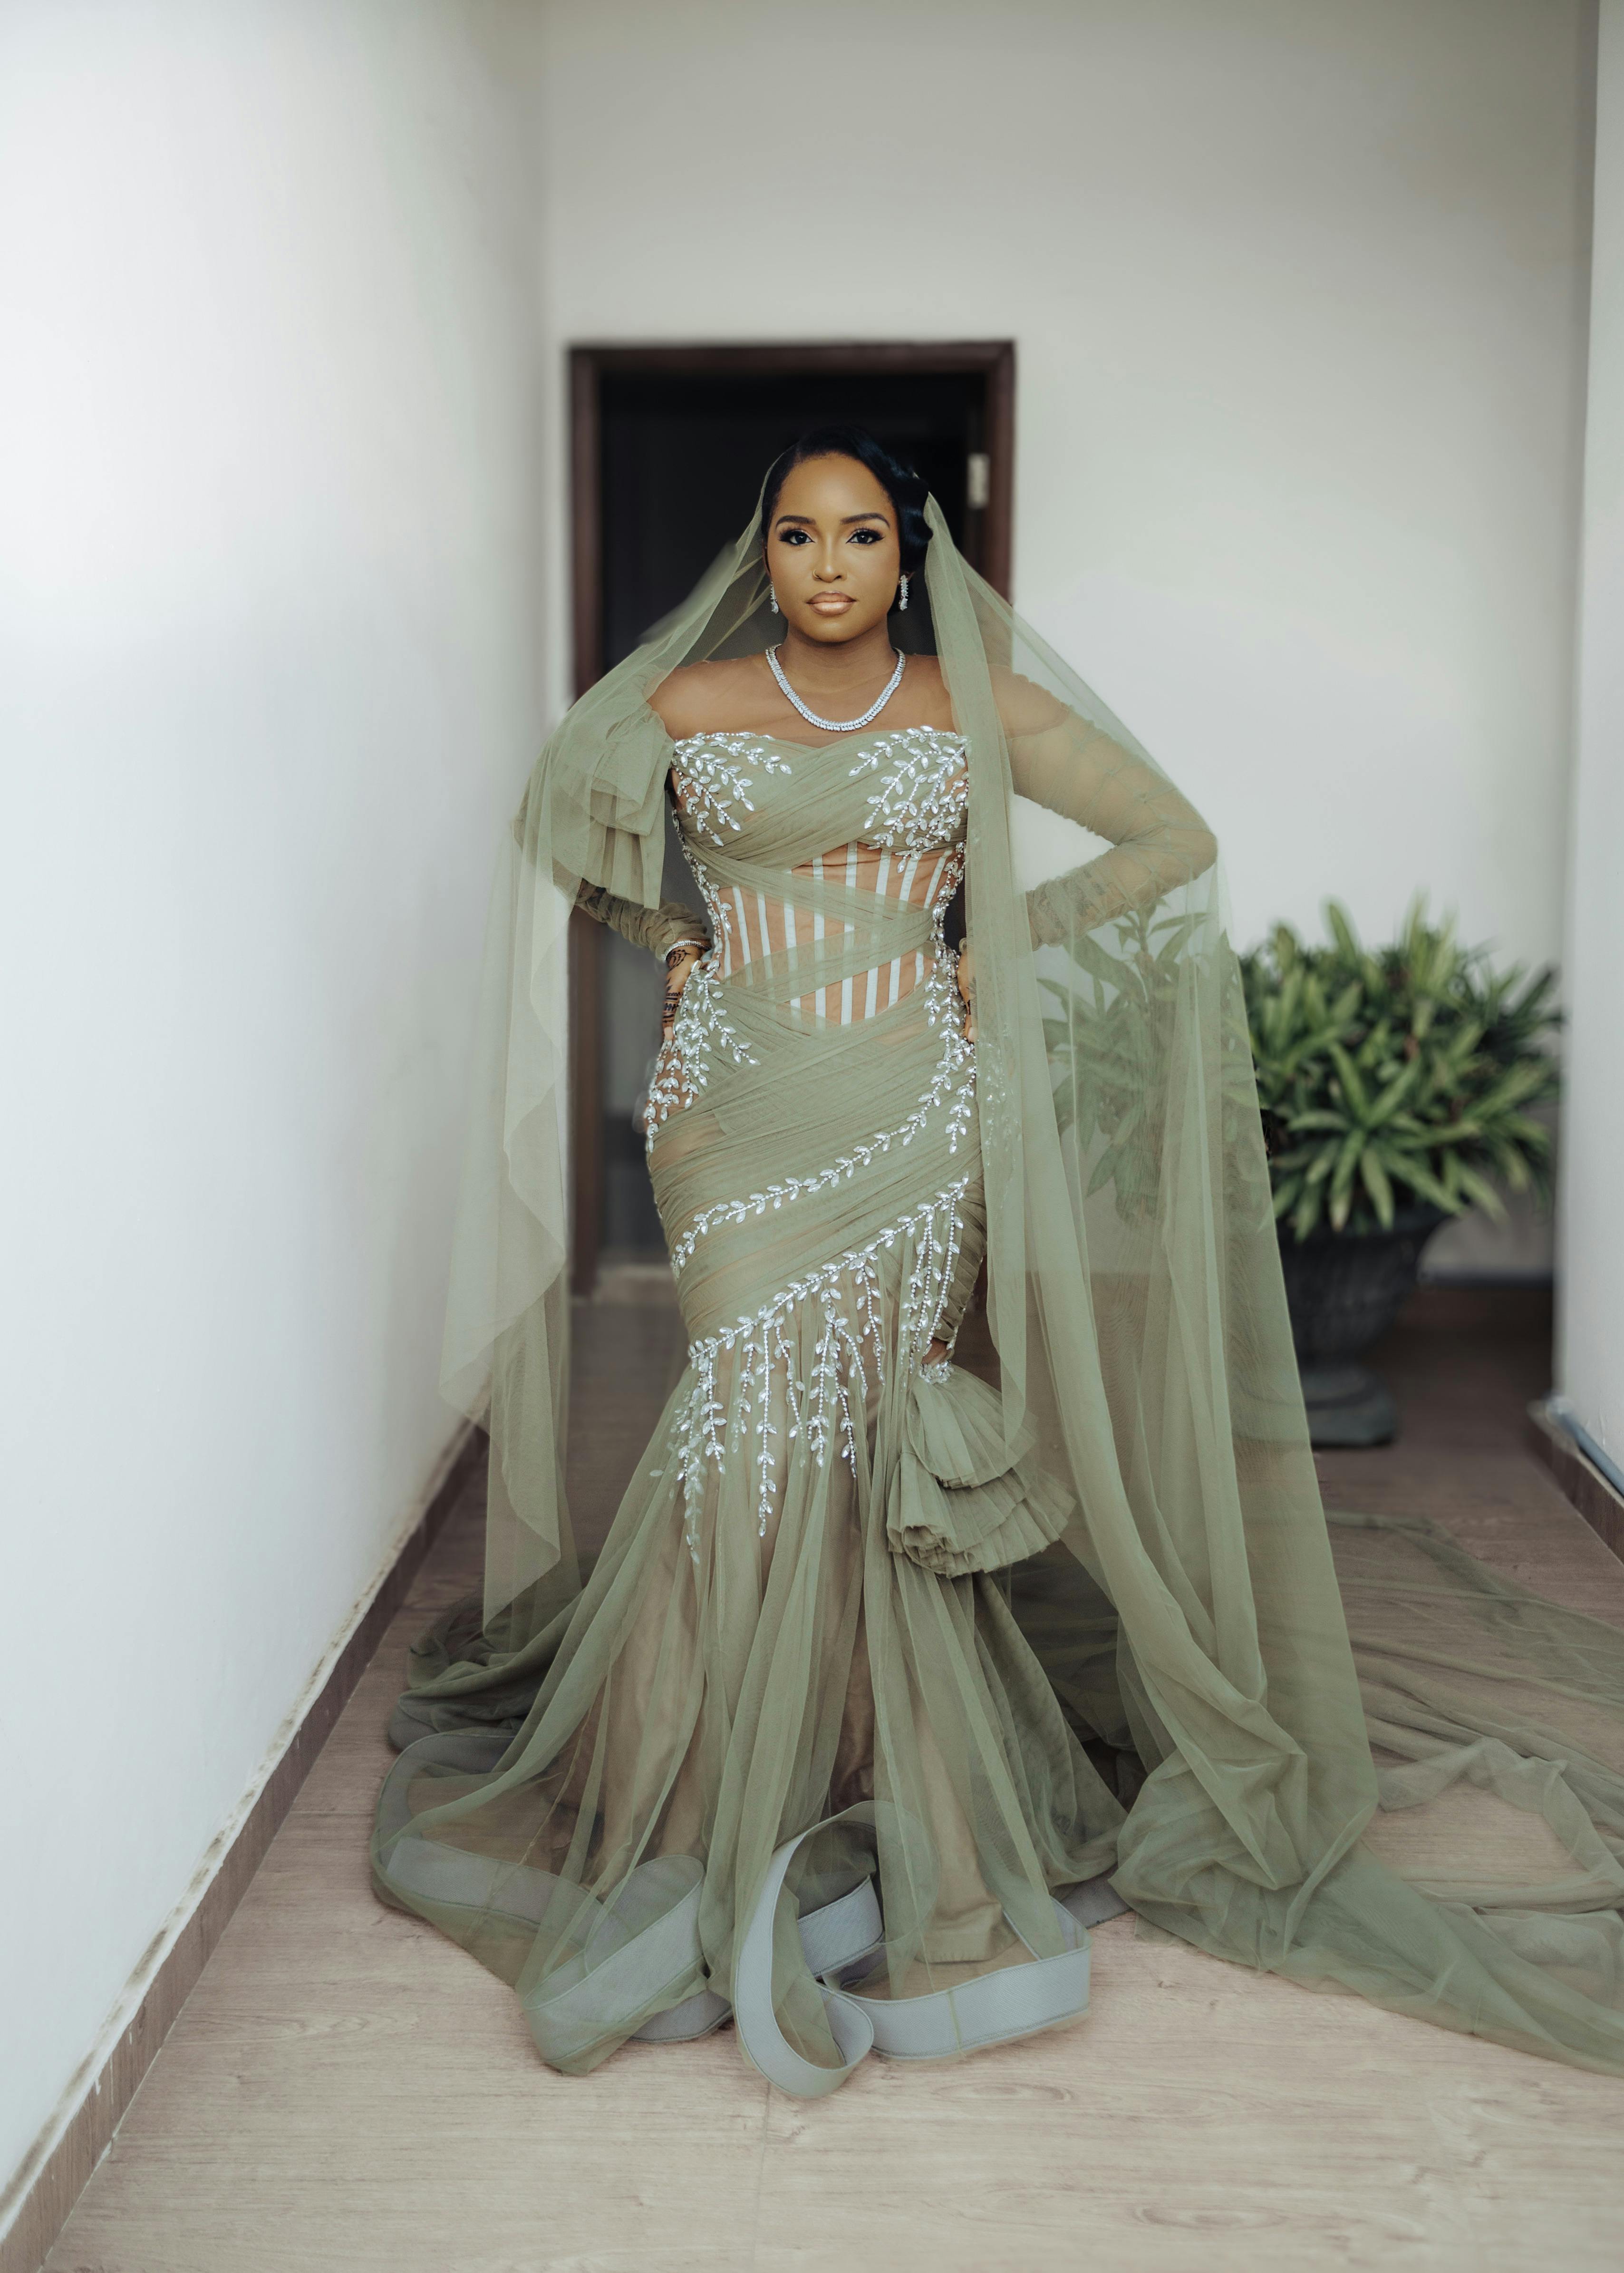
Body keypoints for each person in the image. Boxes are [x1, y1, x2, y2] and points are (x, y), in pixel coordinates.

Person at [373, 428, 1624, 2097]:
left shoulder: (969, 705)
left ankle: (868, 1767)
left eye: (863, 534)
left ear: (912, 553)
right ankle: (694, 1788)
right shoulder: (681, 702)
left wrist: (999, 946)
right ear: (769, 552)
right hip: (730, 1114)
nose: (829, 565)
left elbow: (1170, 837)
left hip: (908, 1111)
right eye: (802, 536)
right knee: (747, 1407)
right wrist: (671, 935)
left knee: (867, 1421)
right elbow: (560, 814)